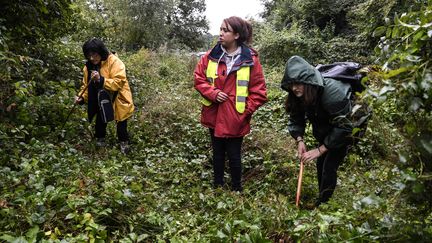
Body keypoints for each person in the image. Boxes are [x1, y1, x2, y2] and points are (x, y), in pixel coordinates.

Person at [194, 16, 267, 191]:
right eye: (220, 29)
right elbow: (199, 78)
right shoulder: (210, 56)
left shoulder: (251, 59)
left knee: (234, 155)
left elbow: (259, 91)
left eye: (225, 30)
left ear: (236, 35)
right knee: (217, 153)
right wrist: (212, 93)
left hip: (236, 118)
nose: (220, 33)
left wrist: (244, 111)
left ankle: (237, 189)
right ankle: (217, 187)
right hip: (214, 114)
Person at [281, 55, 353, 206]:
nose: (294, 88)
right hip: (326, 127)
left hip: (346, 128)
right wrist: (299, 139)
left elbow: (345, 127)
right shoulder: (299, 94)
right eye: (292, 84)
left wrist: (320, 149)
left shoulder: (333, 93)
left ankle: (324, 205)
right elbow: (296, 118)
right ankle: (323, 198)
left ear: (308, 81)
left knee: (329, 165)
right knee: (321, 163)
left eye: (298, 83)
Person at [75, 38, 134, 154]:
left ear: (101, 52)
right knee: (100, 120)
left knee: (121, 123)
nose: (92, 58)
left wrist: (101, 80)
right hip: (101, 98)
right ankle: (100, 144)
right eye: (89, 55)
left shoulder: (114, 62)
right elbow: (86, 85)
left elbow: (118, 82)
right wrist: (81, 97)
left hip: (118, 97)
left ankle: (124, 146)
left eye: (95, 55)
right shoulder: (88, 67)